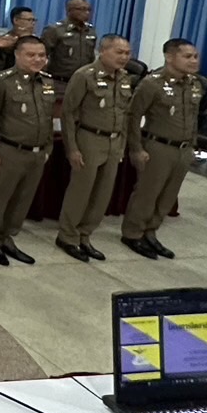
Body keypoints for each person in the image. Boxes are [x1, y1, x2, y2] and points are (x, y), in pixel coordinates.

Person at [121, 38, 203, 260]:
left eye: (195, 56)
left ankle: (151, 231)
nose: (193, 61)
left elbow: (193, 117)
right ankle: (133, 233)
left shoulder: (195, 84)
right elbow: (133, 115)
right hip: (158, 146)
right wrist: (136, 148)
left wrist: (193, 145)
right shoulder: (152, 83)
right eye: (187, 56)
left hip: (183, 148)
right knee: (148, 193)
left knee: (168, 195)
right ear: (169, 57)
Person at [55, 33, 134, 262]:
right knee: (81, 192)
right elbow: (68, 113)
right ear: (103, 51)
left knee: (102, 194)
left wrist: (122, 145)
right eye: (119, 52)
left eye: (127, 53)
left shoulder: (125, 78)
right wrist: (72, 148)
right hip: (89, 138)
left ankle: (85, 235)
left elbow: (125, 115)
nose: (124, 57)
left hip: (114, 142)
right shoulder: (85, 75)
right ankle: (67, 236)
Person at [0, 35, 55, 266]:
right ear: (17, 55)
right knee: (0, 197)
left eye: (41, 55)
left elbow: (48, 118)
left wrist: (48, 147)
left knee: (22, 199)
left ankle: (7, 237)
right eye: (31, 55)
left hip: (37, 152)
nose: (37, 59)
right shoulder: (2, 82)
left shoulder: (47, 82)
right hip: (9, 149)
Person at [41, 0, 97, 85]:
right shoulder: (55, 30)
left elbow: (91, 57)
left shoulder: (90, 31)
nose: (87, 13)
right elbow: (42, 55)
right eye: (82, 9)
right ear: (69, 10)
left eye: (88, 9)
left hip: (83, 81)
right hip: (60, 81)